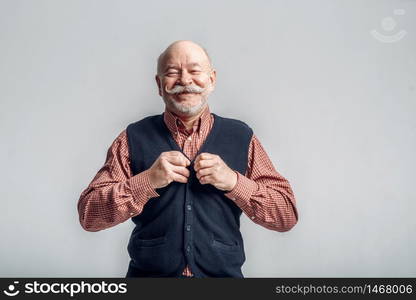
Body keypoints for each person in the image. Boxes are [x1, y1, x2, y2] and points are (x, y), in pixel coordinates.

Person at [77, 40, 298, 278]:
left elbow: (286, 215)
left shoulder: (241, 136)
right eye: (172, 73)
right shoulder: (132, 137)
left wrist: (234, 182)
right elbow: (89, 216)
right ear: (159, 84)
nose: (184, 80)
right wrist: (147, 181)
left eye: (194, 71)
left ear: (212, 79)